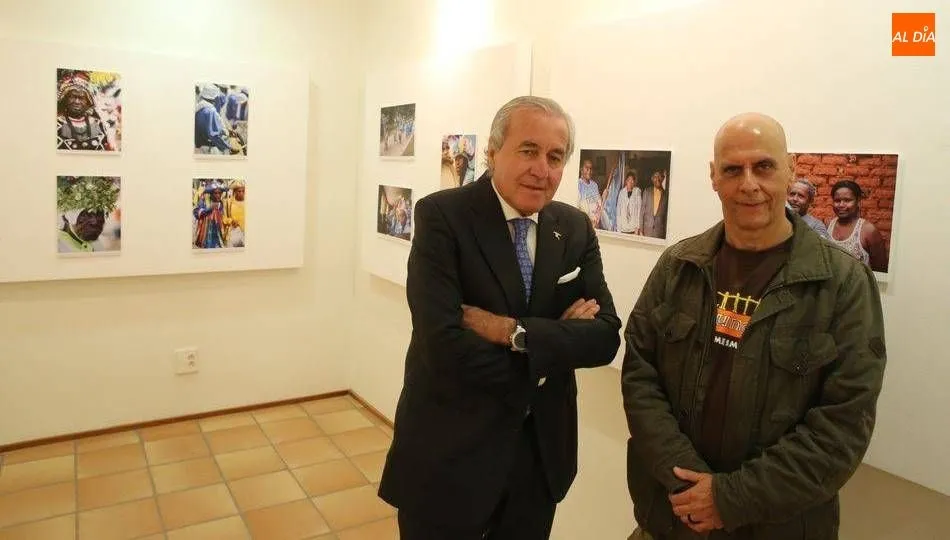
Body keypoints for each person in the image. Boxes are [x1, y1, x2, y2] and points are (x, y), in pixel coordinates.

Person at [621, 112, 886, 540]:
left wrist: (729, 499)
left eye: (763, 166)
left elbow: (843, 424)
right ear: (714, 177)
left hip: (778, 527)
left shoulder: (843, 284)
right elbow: (640, 377)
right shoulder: (679, 266)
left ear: (790, 169)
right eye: (732, 169)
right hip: (670, 518)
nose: (749, 184)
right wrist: (690, 488)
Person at [379, 96, 622, 540]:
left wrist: (513, 332)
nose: (542, 169)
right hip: (451, 455)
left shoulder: (573, 228)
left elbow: (606, 338)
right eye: (528, 151)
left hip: (538, 460)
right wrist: (555, 349)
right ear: (492, 153)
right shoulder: (442, 217)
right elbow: (444, 347)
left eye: (555, 156)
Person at [826, 180, 889, 273]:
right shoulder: (828, 225)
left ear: (858, 201)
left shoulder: (868, 231)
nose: (841, 205)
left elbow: (880, 270)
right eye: (837, 201)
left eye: (847, 200)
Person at [56, 72, 113, 151]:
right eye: (72, 96)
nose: (77, 101)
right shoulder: (57, 124)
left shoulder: (99, 124)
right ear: (65, 99)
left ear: (88, 102)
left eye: (81, 98)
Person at [640, 170, 669, 238]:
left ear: (662, 179)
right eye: (655, 176)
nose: (658, 179)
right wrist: (641, 230)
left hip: (659, 232)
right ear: (652, 179)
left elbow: (666, 216)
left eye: (659, 176)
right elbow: (642, 212)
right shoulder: (647, 191)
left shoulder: (665, 195)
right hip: (646, 230)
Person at [577, 158, 603, 228]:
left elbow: (599, 204)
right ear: (581, 169)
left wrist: (597, 220)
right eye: (587, 168)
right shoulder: (578, 184)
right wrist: (590, 221)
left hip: (596, 223)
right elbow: (579, 207)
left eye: (591, 168)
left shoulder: (594, 185)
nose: (589, 171)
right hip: (584, 224)